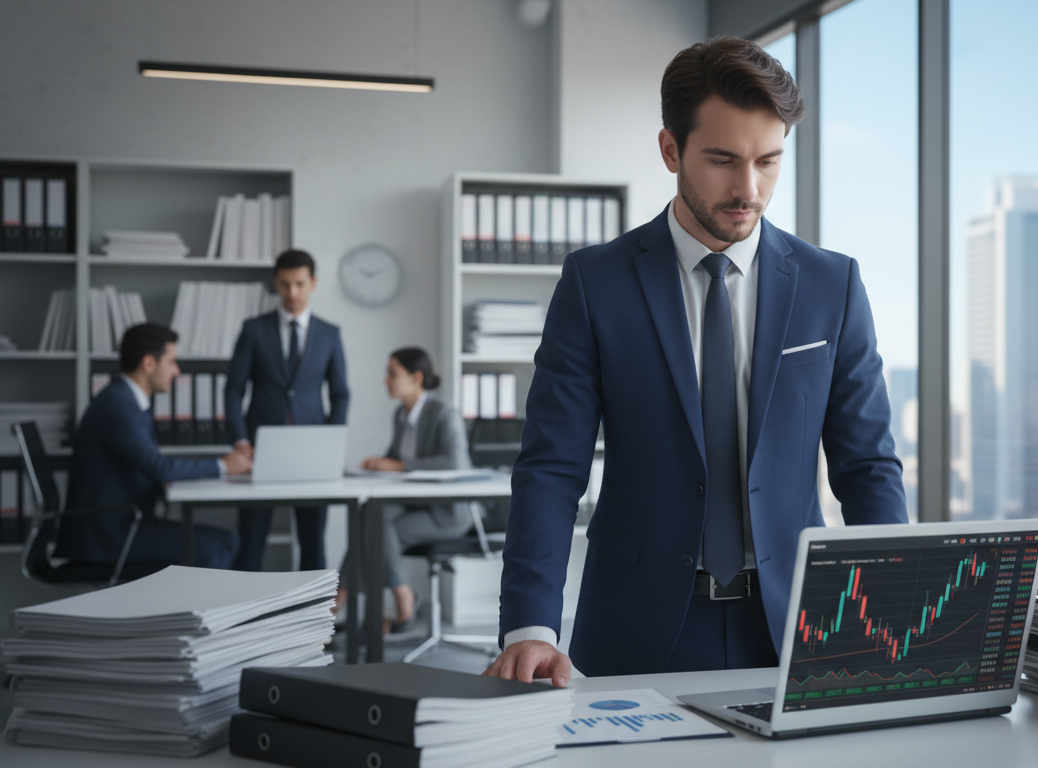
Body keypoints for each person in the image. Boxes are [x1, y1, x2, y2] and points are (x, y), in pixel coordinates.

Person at [486, 36, 907, 687]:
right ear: (670, 150)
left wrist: (893, 608)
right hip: (636, 626)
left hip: (797, 624)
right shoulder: (596, 284)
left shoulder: (834, 285)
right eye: (722, 160)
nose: (749, 188)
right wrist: (531, 626)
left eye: (769, 161)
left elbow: (868, 465)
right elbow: (551, 468)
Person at [58, 323, 251, 569]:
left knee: (223, 541)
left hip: (118, 527)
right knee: (221, 544)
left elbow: (149, 464)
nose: (176, 371)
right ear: (149, 364)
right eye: (171, 362)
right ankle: (196, 608)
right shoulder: (117, 406)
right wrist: (223, 465)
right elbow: (159, 467)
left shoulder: (127, 400)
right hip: (108, 537)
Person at [224, 249, 350, 571]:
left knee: (313, 545)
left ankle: (312, 620)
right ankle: (244, 619)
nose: (292, 293)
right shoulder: (253, 329)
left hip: (312, 452)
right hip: (259, 448)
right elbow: (234, 389)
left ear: (313, 283)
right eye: (284, 285)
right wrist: (239, 439)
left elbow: (339, 393)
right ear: (275, 284)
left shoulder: (330, 333)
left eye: (299, 284)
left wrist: (331, 441)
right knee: (251, 541)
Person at [334, 347, 475, 630]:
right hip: (416, 505)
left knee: (375, 527)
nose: (386, 380)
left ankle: (375, 598)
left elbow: (452, 462)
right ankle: (375, 603)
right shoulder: (402, 414)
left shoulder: (443, 413)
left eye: (392, 373)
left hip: (447, 513)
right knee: (368, 519)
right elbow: (395, 458)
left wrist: (397, 466)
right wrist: (377, 463)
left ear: (416, 378)